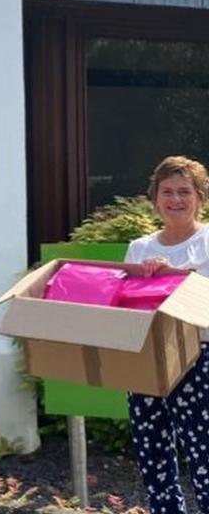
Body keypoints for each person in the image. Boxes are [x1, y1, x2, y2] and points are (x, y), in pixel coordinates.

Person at [124, 155, 209, 514]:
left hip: (198, 358)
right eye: (167, 192)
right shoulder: (140, 248)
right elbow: (123, 301)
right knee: (153, 455)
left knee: (204, 454)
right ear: (155, 198)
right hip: (144, 359)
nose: (176, 200)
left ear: (200, 198)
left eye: (184, 192)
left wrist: (175, 277)